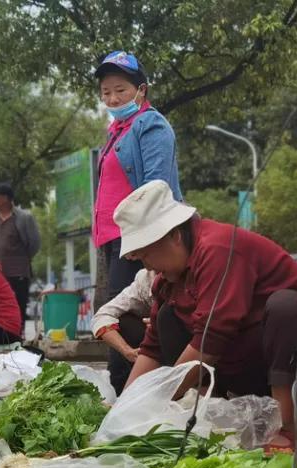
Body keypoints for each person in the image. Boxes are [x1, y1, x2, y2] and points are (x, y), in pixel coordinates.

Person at [119, 181, 297, 449]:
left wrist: (164, 396)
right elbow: (153, 348)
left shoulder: (218, 249)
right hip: (251, 368)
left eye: (146, 255)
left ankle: (285, 429)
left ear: (174, 237)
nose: (146, 265)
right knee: (167, 318)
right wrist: (124, 407)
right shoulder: (167, 282)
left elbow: (212, 338)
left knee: (285, 306)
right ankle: (211, 417)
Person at [92, 50, 182, 301]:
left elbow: (156, 187)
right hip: (114, 237)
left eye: (120, 90)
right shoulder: (117, 131)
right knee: (119, 311)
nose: (112, 99)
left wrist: (142, 241)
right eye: (106, 92)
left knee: (128, 313)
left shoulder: (150, 124)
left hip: (136, 236)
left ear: (141, 90)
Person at [0, 182, 40, 335]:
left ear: (4, 198)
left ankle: (18, 335)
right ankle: (2, 334)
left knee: (19, 304)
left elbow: (34, 243)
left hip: (18, 271)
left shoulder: (24, 217)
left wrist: (22, 258)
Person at [91, 268, 156, 394]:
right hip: (154, 348)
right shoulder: (145, 279)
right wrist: (127, 351)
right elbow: (101, 316)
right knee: (124, 321)